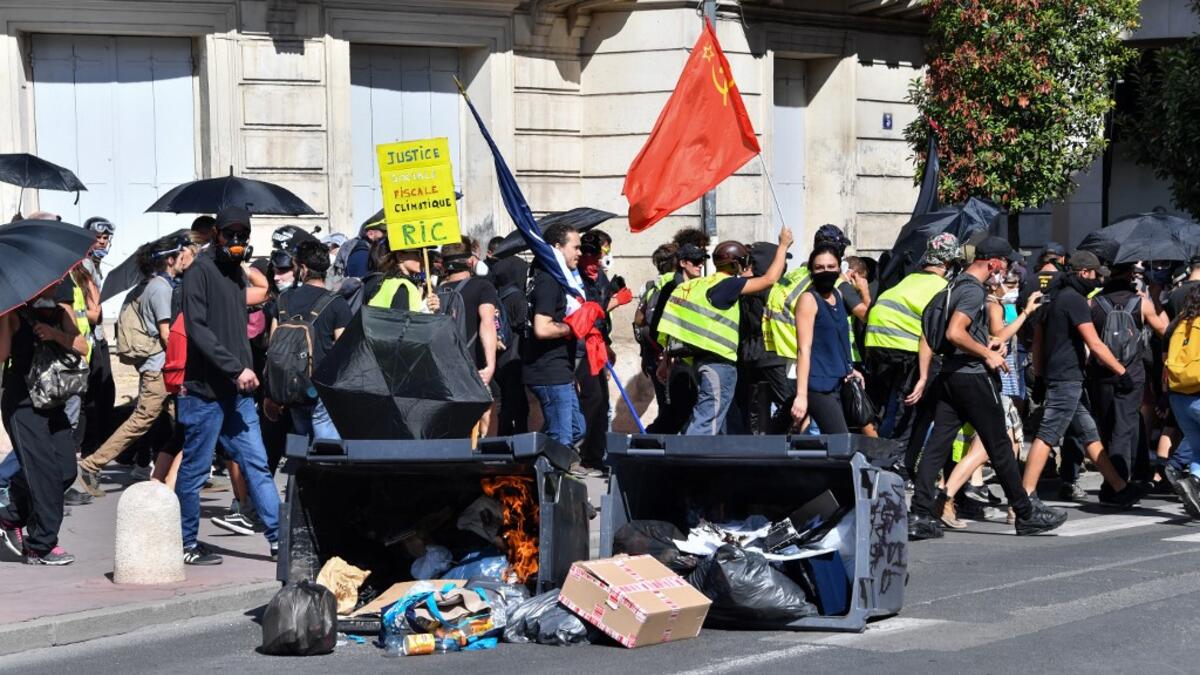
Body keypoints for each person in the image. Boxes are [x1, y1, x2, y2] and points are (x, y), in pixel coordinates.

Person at [908, 236, 1067, 540]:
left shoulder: (953, 285)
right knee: (1000, 446)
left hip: (950, 376)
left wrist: (986, 342)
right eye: (1005, 263)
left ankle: (920, 513)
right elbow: (955, 332)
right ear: (993, 262)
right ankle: (1025, 513)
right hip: (973, 377)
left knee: (938, 445)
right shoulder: (972, 291)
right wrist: (987, 354)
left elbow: (941, 333)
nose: (1006, 269)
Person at [175, 206, 280, 565]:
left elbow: (256, 299)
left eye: (242, 235)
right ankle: (186, 544)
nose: (236, 241)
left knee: (258, 465)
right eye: (230, 234)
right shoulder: (199, 272)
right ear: (216, 233)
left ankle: (279, 540)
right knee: (194, 470)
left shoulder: (235, 273)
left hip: (237, 395)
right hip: (204, 392)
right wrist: (236, 367)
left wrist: (241, 372)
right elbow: (198, 328)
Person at [1022, 251, 1142, 508]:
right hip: (1067, 378)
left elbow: (1038, 342)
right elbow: (1095, 343)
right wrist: (1122, 372)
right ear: (1084, 272)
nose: (1098, 280)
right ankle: (1025, 498)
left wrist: (1041, 376)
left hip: (1059, 376)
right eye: (1096, 275)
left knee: (1089, 434)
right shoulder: (1074, 300)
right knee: (1047, 434)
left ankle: (1119, 488)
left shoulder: (1051, 297)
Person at [77, 235, 194, 496]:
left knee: (185, 422)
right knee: (142, 420)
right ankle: (90, 465)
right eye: (184, 253)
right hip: (160, 369)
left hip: (158, 367)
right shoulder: (161, 289)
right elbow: (166, 334)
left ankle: (179, 474)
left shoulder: (151, 285)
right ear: (170, 259)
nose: (188, 257)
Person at [658, 228, 792, 435]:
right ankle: (692, 463)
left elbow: (671, 324)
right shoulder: (727, 284)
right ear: (737, 263)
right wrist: (783, 246)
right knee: (708, 417)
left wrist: (665, 360)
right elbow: (768, 280)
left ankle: (702, 459)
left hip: (696, 359)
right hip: (718, 362)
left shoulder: (696, 285)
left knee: (712, 414)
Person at [0, 282, 89, 565]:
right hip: (22, 403)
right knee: (44, 474)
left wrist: (55, 334)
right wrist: (4, 318)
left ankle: (10, 514)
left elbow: (82, 346)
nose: (56, 288)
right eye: (51, 286)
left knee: (65, 470)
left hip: (53, 400)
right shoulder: (13, 313)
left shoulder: (61, 312)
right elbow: (2, 355)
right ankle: (41, 545)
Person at [863, 233, 959, 463]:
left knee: (887, 405)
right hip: (903, 345)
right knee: (911, 406)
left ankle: (881, 451)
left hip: (875, 343)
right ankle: (897, 461)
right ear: (947, 263)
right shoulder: (942, 287)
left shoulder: (909, 279)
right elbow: (936, 331)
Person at [1086, 263, 1167, 488]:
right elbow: (1164, 330)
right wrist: (1155, 297)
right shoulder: (1142, 303)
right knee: (1124, 424)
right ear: (1130, 276)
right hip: (1133, 371)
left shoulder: (1093, 303)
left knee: (1108, 423)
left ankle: (1137, 469)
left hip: (1102, 371)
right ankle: (1118, 482)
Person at [263, 240, 351, 443]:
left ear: (302, 268)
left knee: (301, 444)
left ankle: (302, 472)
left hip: (290, 387)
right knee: (327, 449)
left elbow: (273, 349)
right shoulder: (337, 304)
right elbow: (343, 351)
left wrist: (270, 393)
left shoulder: (283, 300)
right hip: (321, 389)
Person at [522, 223, 585, 448]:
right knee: (562, 439)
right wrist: (574, 326)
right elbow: (542, 328)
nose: (580, 253)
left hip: (559, 370)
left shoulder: (549, 276)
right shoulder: (548, 279)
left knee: (577, 429)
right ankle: (549, 479)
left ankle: (531, 456)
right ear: (557, 247)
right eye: (575, 247)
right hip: (548, 371)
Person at [791, 244, 859, 434]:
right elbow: (804, 349)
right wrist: (802, 395)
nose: (826, 271)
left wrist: (850, 368)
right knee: (840, 439)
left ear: (839, 268)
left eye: (831, 267)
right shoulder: (808, 300)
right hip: (817, 385)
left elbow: (840, 338)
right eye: (819, 267)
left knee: (829, 440)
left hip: (838, 381)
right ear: (811, 271)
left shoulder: (837, 295)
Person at [438, 238, 500, 434]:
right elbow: (487, 323)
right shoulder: (482, 286)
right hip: (473, 364)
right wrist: (490, 365)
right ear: (470, 261)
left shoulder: (435, 293)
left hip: (443, 366)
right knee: (487, 411)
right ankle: (488, 460)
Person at [645, 242, 706, 434]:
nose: (700, 265)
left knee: (685, 406)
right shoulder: (673, 287)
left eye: (702, 260)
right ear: (683, 263)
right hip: (678, 357)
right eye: (695, 261)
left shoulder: (696, 286)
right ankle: (649, 441)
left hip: (692, 356)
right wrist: (666, 356)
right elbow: (657, 325)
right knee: (679, 407)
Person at [490, 254, 530, 436]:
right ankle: (510, 438)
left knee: (508, 400)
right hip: (514, 357)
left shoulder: (497, 295)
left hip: (500, 356)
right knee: (516, 404)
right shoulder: (518, 297)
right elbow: (523, 325)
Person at [366, 245, 440, 312]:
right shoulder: (402, 287)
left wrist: (428, 308)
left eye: (426, 254)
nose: (424, 258)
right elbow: (402, 325)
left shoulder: (386, 280)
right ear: (400, 256)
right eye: (419, 253)